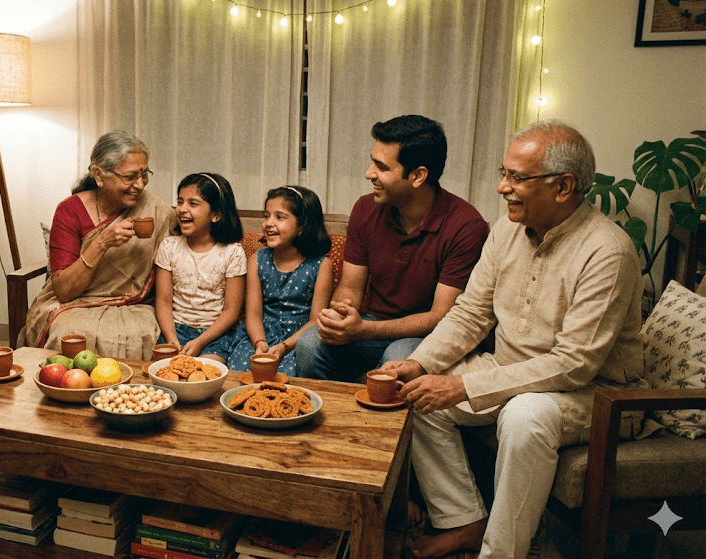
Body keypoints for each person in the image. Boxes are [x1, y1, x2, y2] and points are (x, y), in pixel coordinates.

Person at [382, 121, 646, 559]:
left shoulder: (608, 251)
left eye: (517, 177)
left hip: (591, 394)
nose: (503, 187)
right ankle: (465, 522)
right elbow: (471, 312)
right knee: (417, 393)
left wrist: (465, 386)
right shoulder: (505, 230)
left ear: (564, 187)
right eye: (503, 172)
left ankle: (500, 553)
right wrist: (422, 364)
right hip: (507, 371)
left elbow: (575, 363)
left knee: (526, 414)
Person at [295, 114, 488, 380]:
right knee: (309, 344)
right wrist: (341, 314)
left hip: (427, 335)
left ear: (418, 176)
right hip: (371, 323)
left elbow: (441, 316)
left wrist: (362, 329)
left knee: (396, 359)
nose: (368, 173)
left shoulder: (465, 226)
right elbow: (350, 286)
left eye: (381, 167)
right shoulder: (365, 208)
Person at [23, 131, 177, 360]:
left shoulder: (156, 209)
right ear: (99, 175)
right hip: (74, 303)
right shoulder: (70, 211)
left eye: (144, 175)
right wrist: (102, 242)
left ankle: (128, 395)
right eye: (130, 177)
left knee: (139, 334)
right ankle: (68, 388)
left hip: (134, 303)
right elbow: (64, 291)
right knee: (68, 334)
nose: (140, 185)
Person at [228, 186, 334, 376]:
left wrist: (284, 347)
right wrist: (260, 344)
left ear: (302, 225)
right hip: (259, 335)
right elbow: (252, 315)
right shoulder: (257, 260)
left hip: (298, 340)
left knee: (286, 381)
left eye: (280, 217)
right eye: (266, 215)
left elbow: (315, 321)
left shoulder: (321, 265)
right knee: (241, 376)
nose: (269, 223)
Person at [154, 172, 246, 363]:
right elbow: (163, 301)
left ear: (216, 215)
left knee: (207, 373)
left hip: (216, 333)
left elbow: (231, 311)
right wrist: (171, 340)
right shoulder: (169, 246)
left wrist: (200, 341)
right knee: (165, 372)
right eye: (180, 202)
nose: (182, 209)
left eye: (193, 203)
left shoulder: (232, 252)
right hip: (176, 328)